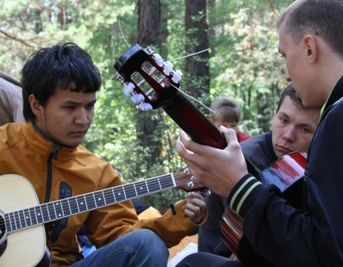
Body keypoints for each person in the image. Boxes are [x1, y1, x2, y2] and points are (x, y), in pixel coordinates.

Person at [176, 0, 343, 266]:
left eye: (284, 55)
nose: (286, 76)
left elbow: (333, 256)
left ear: (309, 48)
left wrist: (239, 186)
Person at [0, 43, 207, 267]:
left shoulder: (97, 172)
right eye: (70, 107)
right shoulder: (4, 145)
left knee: (147, 244)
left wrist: (180, 219)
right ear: (36, 105)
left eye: (89, 106)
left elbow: (123, 240)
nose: (84, 119)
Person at [198, 85, 320, 263]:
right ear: (274, 116)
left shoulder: (318, 162)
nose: (288, 136)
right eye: (284, 120)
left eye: (305, 129)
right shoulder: (245, 159)